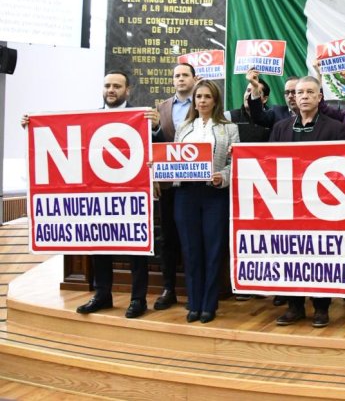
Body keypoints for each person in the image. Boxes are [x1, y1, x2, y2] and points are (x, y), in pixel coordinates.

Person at [22, 71, 161, 319]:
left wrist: (156, 127)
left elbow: (161, 144)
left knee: (137, 248)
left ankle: (138, 299)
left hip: (132, 194)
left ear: (127, 90)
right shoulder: (91, 118)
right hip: (100, 195)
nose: (111, 90)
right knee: (99, 244)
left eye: (117, 86)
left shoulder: (142, 118)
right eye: (107, 85)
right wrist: (32, 126)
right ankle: (102, 294)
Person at [264, 76, 345, 328]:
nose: (304, 96)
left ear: (320, 97)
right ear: (294, 97)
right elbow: (268, 162)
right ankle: (294, 306)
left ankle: (321, 308)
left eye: (310, 92)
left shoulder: (335, 128)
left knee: (320, 254)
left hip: (321, 204)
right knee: (290, 254)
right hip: (288, 204)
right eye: (300, 92)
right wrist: (239, 155)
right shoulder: (280, 128)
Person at [173, 80, 239, 324]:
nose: (202, 101)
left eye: (207, 97)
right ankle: (194, 303)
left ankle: (209, 305)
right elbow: (173, 157)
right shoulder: (183, 127)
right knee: (190, 250)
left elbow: (235, 162)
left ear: (215, 100)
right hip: (186, 194)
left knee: (213, 249)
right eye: (198, 96)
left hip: (214, 194)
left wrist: (222, 176)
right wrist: (158, 166)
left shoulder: (229, 128)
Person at [153, 63, 197, 311]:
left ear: (194, 78)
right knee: (168, 238)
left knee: (192, 238)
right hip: (168, 183)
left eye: (185, 75)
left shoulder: (203, 102)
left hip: (194, 183)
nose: (180, 79)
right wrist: (154, 177)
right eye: (177, 75)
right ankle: (168, 288)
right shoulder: (161, 108)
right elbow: (154, 144)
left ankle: (194, 291)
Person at [245, 70, 298, 137]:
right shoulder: (276, 112)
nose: (290, 96)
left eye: (294, 92)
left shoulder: (309, 114)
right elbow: (258, 117)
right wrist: (255, 87)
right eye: (287, 92)